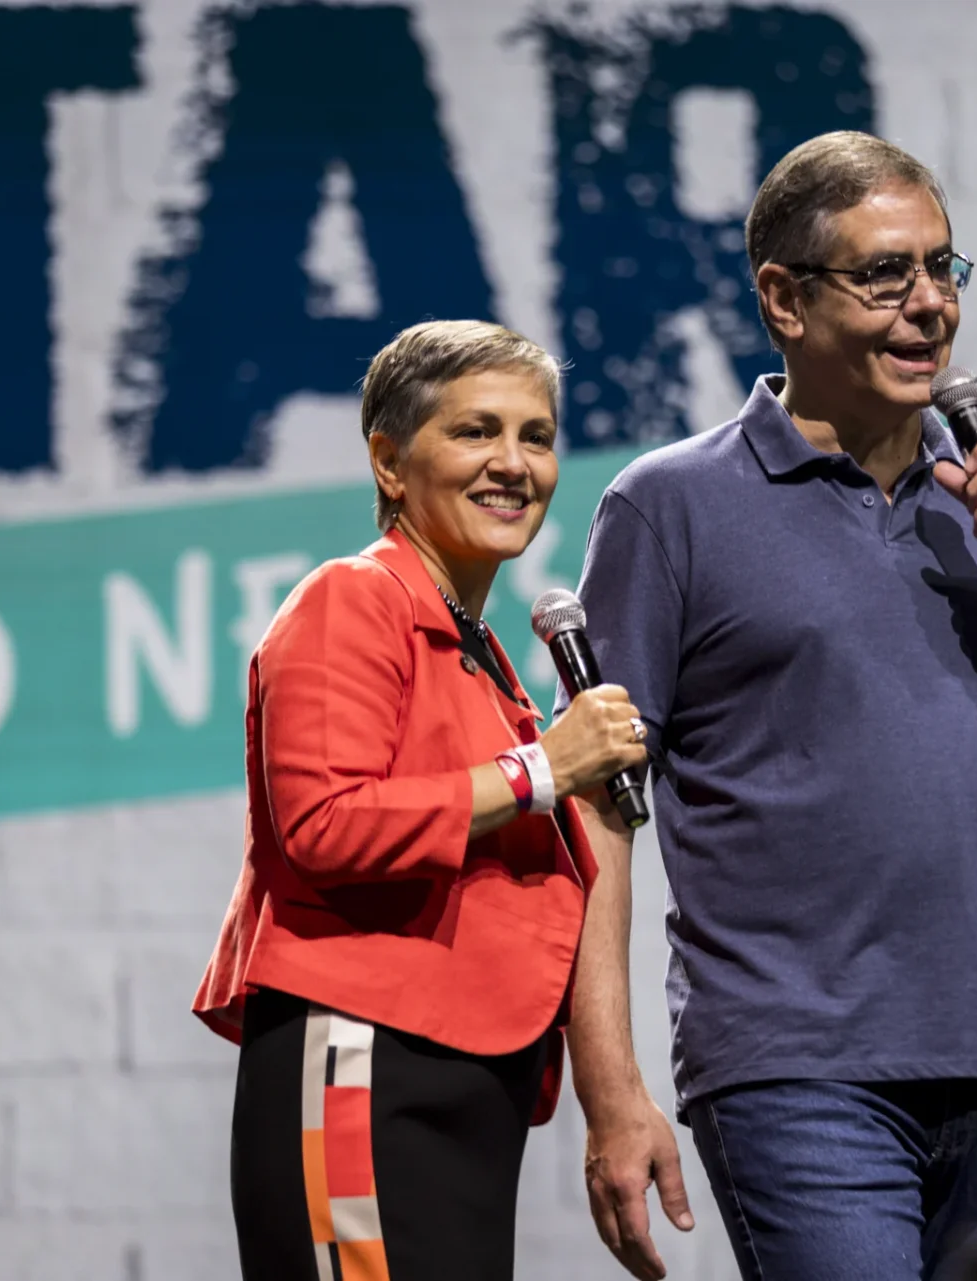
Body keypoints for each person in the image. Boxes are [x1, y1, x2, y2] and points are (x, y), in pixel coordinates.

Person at [562, 132, 977, 1281]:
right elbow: (593, 809)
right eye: (885, 274)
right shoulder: (670, 508)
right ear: (784, 300)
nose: (929, 305)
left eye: (943, 269)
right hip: (794, 1066)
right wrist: (611, 1093)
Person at [192, 320, 652, 1281]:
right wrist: (541, 770)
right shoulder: (351, 598)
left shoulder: (485, 661)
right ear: (389, 462)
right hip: (363, 1062)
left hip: (467, 1083)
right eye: (476, 430)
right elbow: (324, 825)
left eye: (535, 435)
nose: (513, 462)